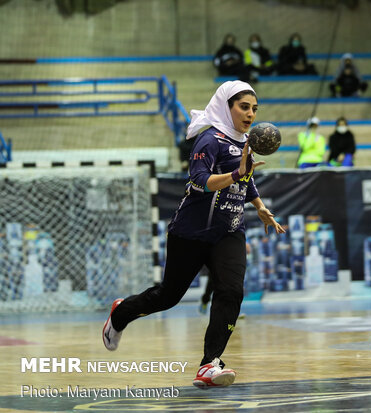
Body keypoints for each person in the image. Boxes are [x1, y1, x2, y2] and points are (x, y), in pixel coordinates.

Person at [102, 81, 285, 388]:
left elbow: (246, 180)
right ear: (226, 106)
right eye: (244, 106)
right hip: (191, 232)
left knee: (231, 291)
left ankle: (209, 364)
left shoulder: (245, 143)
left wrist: (260, 206)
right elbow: (200, 182)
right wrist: (237, 173)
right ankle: (121, 313)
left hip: (229, 232)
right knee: (167, 297)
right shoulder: (209, 140)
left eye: (254, 108)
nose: (250, 113)